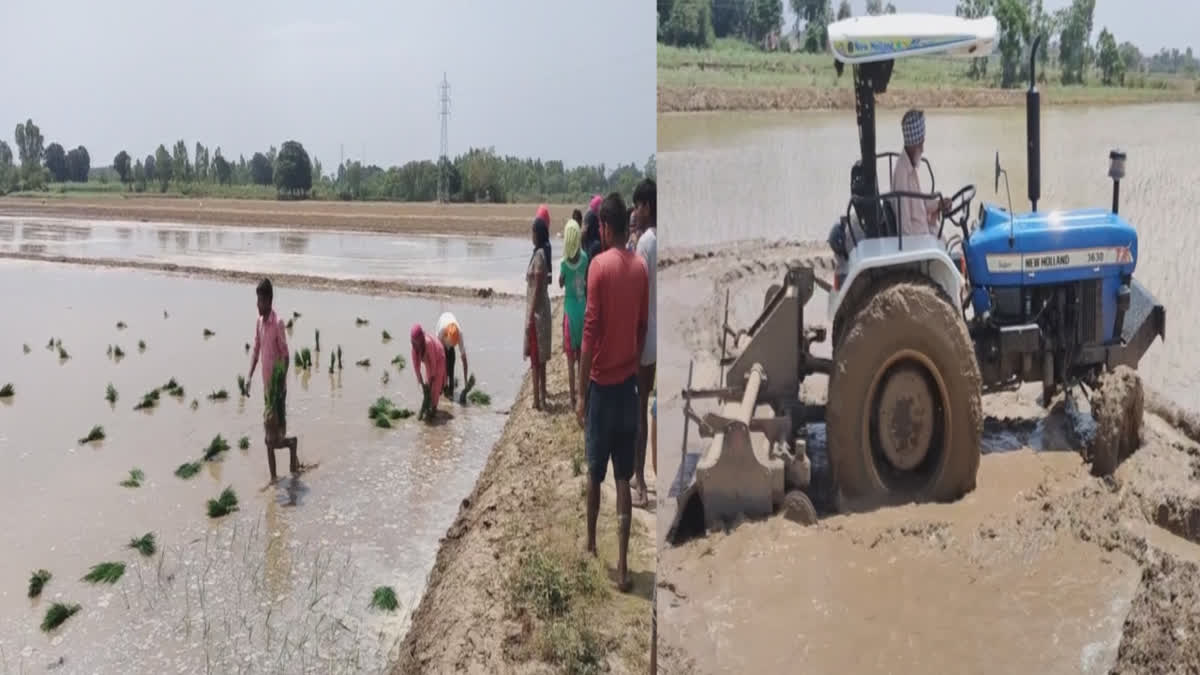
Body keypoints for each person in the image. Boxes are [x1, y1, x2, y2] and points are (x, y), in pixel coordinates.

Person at [577, 192, 649, 592]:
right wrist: (631, 365)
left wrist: (581, 394)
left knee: (594, 472)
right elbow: (641, 327)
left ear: (604, 228)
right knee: (623, 478)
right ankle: (623, 567)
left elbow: (589, 335)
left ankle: (590, 544)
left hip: (603, 388)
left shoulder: (599, 268)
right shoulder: (640, 268)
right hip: (629, 386)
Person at [245, 278, 299, 484]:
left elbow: (286, 356)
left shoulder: (278, 323)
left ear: (269, 300)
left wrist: (280, 386)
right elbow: (256, 350)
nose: (257, 305)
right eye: (257, 300)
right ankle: (274, 478)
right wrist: (249, 377)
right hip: (267, 390)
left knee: (274, 438)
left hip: (277, 391)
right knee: (269, 438)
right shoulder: (259, 322)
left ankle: (292, 446)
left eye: (260, 300)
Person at [632, 178, 657, 507]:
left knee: (639, 410)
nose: (635, 212)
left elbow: (637, 298)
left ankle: (639, 482)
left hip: (646, 340)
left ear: (647, 206)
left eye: (638, 206)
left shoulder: (646, 245)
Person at [891, 109, 950, 237]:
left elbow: (920, 206)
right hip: (919, 241)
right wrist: (927, 243)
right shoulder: (903, 174)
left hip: (924, 232)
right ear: (912, 144)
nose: (922, 149)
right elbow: (905, 229)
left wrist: (939, 204)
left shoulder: (910, 166)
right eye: (921, 144)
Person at [559, 217, 588, 408]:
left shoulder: (563, 263)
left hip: (569, 312)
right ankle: (581, 395)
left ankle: (571, 399)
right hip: (583, 311)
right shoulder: (585, 258)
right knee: (581, 358)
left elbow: (561, 282)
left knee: (570, 360)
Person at [525, 215, 553, 410]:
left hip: (537, 314)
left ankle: (536, 400)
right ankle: (542, 396)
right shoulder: (544, 254)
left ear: (537, 233)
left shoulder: (539, 256)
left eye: (532, 232)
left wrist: (529, 318)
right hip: (543, 311)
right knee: (541, 359)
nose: (531, 236)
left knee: (536, 359)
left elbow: (535, 289)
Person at [410, 324, 446, 422]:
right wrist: (420, 381)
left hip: (439, 356)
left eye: (417, 341)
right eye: (414, 341)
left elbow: (433, 362)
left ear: (421, 338)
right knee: (427, 384)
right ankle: (427, 405)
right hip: (427, 359)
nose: (415, 343)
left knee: (435, 385)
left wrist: (432, 379)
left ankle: (433, 409)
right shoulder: (414, 347)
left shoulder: (428, 343)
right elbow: (416, 365)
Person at [435, 311, 468, 399]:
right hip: (442, 329)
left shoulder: (459, 334)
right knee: (444, 364)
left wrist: (466, 382)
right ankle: (443, 386)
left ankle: (451, 385)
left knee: (451, 364)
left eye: (453, 344)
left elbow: (464, 360)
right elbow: (437, 356)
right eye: (450, 344)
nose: (450, 346)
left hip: (449, 327)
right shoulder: (441, 332)